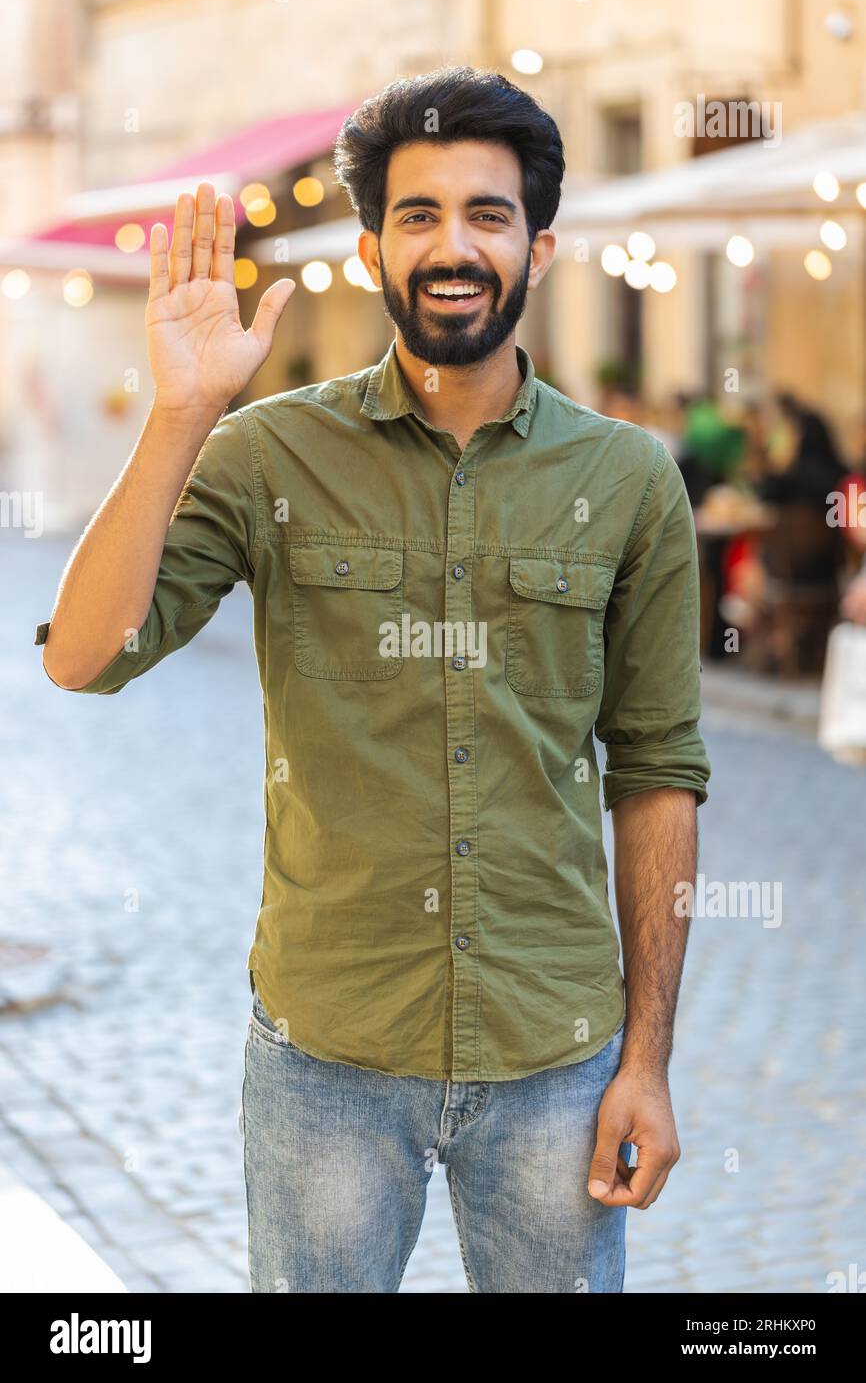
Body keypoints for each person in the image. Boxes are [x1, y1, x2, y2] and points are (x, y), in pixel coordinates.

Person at [36, 67, 710, 1294]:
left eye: (486, 214)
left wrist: (647, 1060)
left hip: (553, 1056)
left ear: (537, 247)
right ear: (368, 249)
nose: (452, 246)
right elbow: (81, 656)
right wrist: (181, 413)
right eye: (418, 215)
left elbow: (658, 770)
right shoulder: (264, 452)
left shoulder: (628, 479)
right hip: (326, 1060)